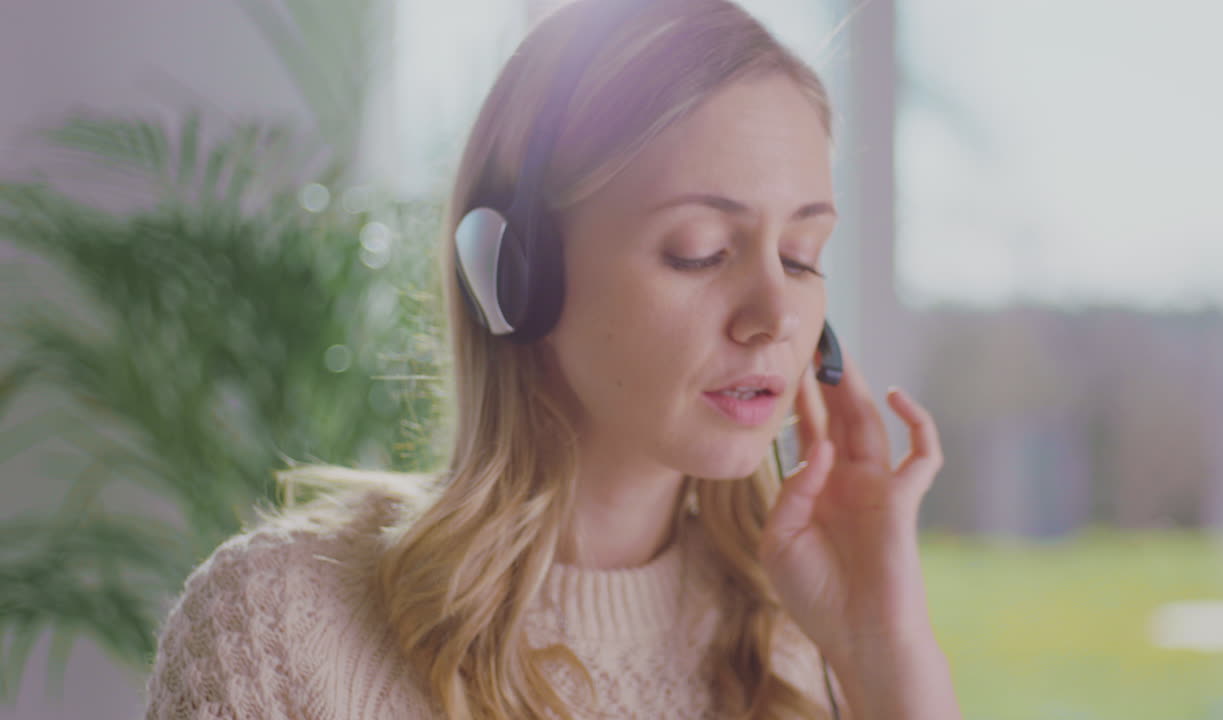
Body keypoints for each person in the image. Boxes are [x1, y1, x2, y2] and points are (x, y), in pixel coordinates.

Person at [144, 0, 962, 717]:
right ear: (516, 272)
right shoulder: (280, 629)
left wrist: (883, 656)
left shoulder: (803, 635)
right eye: (701, 251)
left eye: (803, 253)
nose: (777, 316)